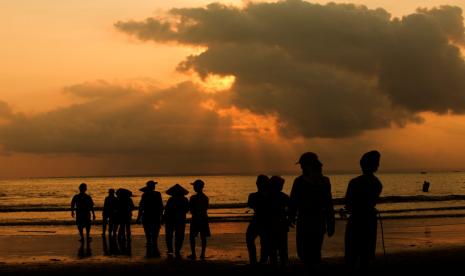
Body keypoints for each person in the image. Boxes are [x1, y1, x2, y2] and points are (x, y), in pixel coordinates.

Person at [288, 152, 335, 267]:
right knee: (315, 250)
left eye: (302, 165)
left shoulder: (299, 181)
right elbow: (329, 204)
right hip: (319, 220)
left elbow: (293, 202)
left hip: (305, 220)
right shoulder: (325, 181)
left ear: (307, 165)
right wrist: (331, 223)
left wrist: (291, 217)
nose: (301, 167)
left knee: (304, 252)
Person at [344, 150, 383, 271]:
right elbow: (371, 202)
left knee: (352, 254)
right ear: (376, 166)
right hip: (370, 220)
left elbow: (348, 204)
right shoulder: (377, 183)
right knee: (365, 255)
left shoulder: (354, 182)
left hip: (356, 220)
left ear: (362, 165)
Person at [246, 174, 270, 265]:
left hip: (258, 220)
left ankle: (255, 260)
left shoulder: (253, 195)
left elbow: (250, 205)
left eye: (258, 182)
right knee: (263, 241)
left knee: (251, 239)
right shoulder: (269, 196)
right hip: (264, 221)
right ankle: (260, 260)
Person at [136, 180, 164, 257]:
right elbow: (161, 206)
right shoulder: (158, 194)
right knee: (155, 233)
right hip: (156, 216)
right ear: (153, 187)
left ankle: (149, 248)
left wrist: (138, 217)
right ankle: (154, 247)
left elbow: (141, 207)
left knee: (148, 233)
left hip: (147, 215)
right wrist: (162, 216)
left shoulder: (145, 195)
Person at [268, 176, 290, 267]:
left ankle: (277, 264)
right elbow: (290, 209)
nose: (282, 186)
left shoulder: (267, 196)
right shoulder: (284, 196)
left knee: (273, 248)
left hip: (272, 225)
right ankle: (283, 264)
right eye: (281, 185)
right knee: (282, 248)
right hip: (280, 224)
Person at [163, 184, 189, 258]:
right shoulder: (185, 199)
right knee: (179, 235)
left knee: (169, 235)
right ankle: (177, 249)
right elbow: (187, 210)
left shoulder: (171, 199)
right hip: (180, 219)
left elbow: (167, 210)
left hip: (170, 219)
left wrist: (163, 218)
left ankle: (170, 249)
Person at [189, 179, 211, 260]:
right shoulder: (205, 197)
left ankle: (194, 254)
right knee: (203, 237)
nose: (193, 187)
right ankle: (202, 254)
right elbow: (206, 208)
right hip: (204, 218)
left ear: (196, 187)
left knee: (192, 237)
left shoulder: (193, 198)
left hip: (195, 218)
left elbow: (191, 210)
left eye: (194, 186)